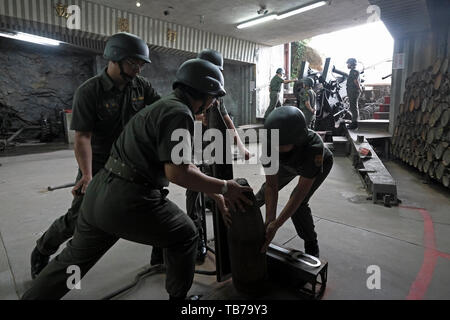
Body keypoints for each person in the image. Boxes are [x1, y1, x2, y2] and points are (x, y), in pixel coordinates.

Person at [21, 58, 253, 300]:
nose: (214, 102)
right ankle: (178, 299)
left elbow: (184, 164)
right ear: (203, 92)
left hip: (100, 194)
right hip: (129, 201)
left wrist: (216, 195)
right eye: (214, 96)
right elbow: (178, 173)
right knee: (185, 234)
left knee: (72, 262)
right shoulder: (179, 114)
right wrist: (227, 187)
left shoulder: (165, 105)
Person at [30, 32, 161, 279]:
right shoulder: (89, 91)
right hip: (98, 162)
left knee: (152, 202)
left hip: (129, 161)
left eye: (141, 64)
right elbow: (83, 137)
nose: (138, 70)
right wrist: (87, 175)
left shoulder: (141, 87)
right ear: (115, 58)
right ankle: (42, 248)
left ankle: (161, 251)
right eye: (134, 63)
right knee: (80, 216)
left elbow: (160, 111)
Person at [150, 49, 252, 265]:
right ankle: (197, 238)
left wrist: (240, 145)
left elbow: (226, 121)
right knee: (192, 189)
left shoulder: (213, 94)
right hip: (186, 145)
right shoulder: (184, 98)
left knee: (208, 186)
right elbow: (181, 170)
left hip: (211, 146)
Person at [255, 106, 333, 257]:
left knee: (299, 206)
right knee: (263, 193)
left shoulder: (313, 148)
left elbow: (299, 194)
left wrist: (277, 225)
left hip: (317, 162)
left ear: (297, 140)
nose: (277, 148)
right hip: (288, 165)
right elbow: (272, 186)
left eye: (282, 145)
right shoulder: (270, 143)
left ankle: (311, 244)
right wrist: (269, 220)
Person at [346, 58, 362, 130]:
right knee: (353, 107)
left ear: (352, 64)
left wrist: (359, 88)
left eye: (348, 63)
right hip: (352, 92)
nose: (347, 65)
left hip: (353, 92)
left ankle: (355, 123)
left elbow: (355, 81)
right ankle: (354, 122)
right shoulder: (352, 71)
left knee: (354, 107)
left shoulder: (354, 71)